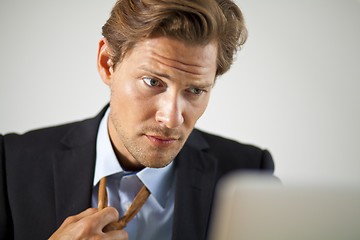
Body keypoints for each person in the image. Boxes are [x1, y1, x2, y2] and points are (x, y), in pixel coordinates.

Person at [0, 0, 275, 239]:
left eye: (195, 90)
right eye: (153, 81)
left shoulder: (249, 176)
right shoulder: (10, 164)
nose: (171, 118)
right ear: (107, 63)